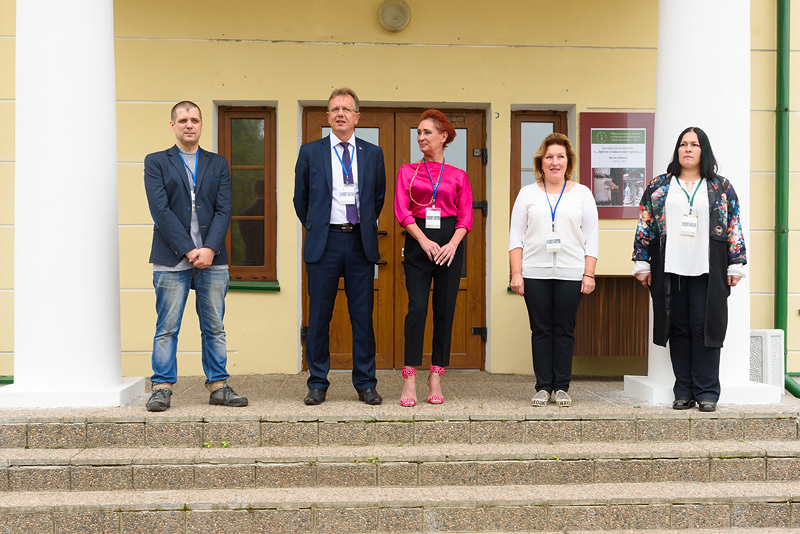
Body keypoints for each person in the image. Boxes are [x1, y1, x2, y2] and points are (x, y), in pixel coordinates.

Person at [632, 126, 746, 413]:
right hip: (670, 268)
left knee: (705, 328)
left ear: (703, 150)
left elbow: (734, 225)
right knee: (678, 328)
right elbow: (645, 224)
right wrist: (642, 262)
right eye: (683, 144)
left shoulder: (720, 187)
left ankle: (707, 391)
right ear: (677, 150)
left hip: (709, 268)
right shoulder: (659, 186)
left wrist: (735, 263)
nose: (688, 149)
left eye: (694, 144)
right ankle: (683, 390)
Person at [143, 101, 248, 412]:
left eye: (195, 120)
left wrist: (210, 249)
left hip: (213, 259)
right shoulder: (156, 162)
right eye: (183, 120)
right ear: (173, 125)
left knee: (214, 325)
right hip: (171, 258)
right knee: (167, 326)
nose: (189, 125)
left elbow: (224, 209)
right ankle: (161, 388)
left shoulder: (218, 164)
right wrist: (189, 250)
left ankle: (219, 386)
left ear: (202, 126)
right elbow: (160, 211)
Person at [293, 88, 386, 406]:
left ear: (357, 116)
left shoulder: (373, 153)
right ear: (328, 116)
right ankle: (317, 382)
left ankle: (365, 383)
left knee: (362, 316)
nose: (341, 114)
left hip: (360, 242)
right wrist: (317, 225)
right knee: (319, 315)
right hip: (325, 242)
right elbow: (300, 199)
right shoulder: (310, 152)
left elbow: (377, 198)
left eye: (347, 109)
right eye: (335, 109)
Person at [509, 133, 598, 408]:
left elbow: (592, 236)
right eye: (549, 157)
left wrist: (589, 273)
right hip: (534, 272)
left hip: (571, 272)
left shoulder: (583, 194)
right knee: (541, 330)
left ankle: (561, 387)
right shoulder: (527, 193)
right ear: (541, 162)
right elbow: (515, 237)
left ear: (567, 162)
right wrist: (516, 273)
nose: (554, 162)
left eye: (560, 157)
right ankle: (542, 386)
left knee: (564, 330)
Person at [394, 110, 473, 407]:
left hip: (450, 244)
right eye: (418, 132)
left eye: (427, 132)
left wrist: (452, 244)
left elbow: (466, 215)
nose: (421, 137)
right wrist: (424, 240)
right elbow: (402, 210)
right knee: (416, 308)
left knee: (444, 310)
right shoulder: (407, 171)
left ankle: (436, 375)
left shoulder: (458, 175)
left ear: (444, 137)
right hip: (419, 242)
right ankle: (410, 377)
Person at [239, 179, 265, 266]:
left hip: (251, 258)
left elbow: (247, 239)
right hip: (267, 257)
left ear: (254, 192)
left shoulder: (245, 214)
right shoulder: (271, 213)